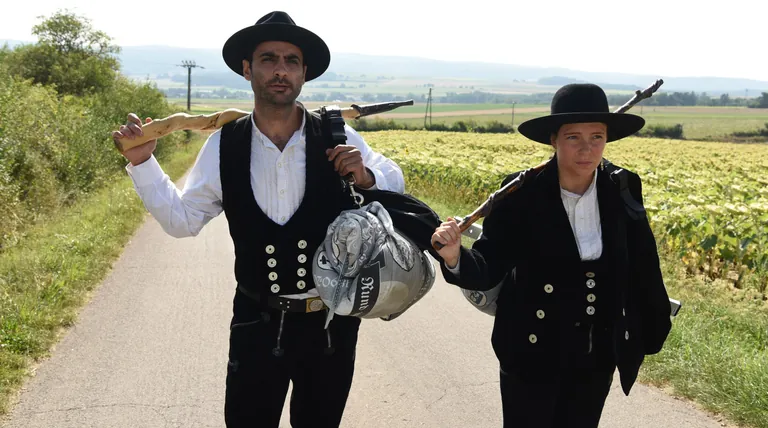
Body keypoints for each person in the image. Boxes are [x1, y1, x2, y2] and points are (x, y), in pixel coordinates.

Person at [112, 11, 405, 428]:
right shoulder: (224, 145)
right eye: (269, 59)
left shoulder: (336, 134)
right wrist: (143, 163)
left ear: (304, 73)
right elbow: (182, 220)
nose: (280, 70)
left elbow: (395, 180)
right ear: (248, 69)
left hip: (331, 327)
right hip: (255, 322)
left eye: (291, 60)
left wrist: (368, 175)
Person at [431, 83, 672, 428]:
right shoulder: (521, 193)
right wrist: (456, 256)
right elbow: (490, 263)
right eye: (573, 137)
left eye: (597, 137)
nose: (587, 149)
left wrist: (651, 324)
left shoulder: (622, 186)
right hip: (531, 351)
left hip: (596, 354)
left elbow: (643, 260)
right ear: (553, 140)